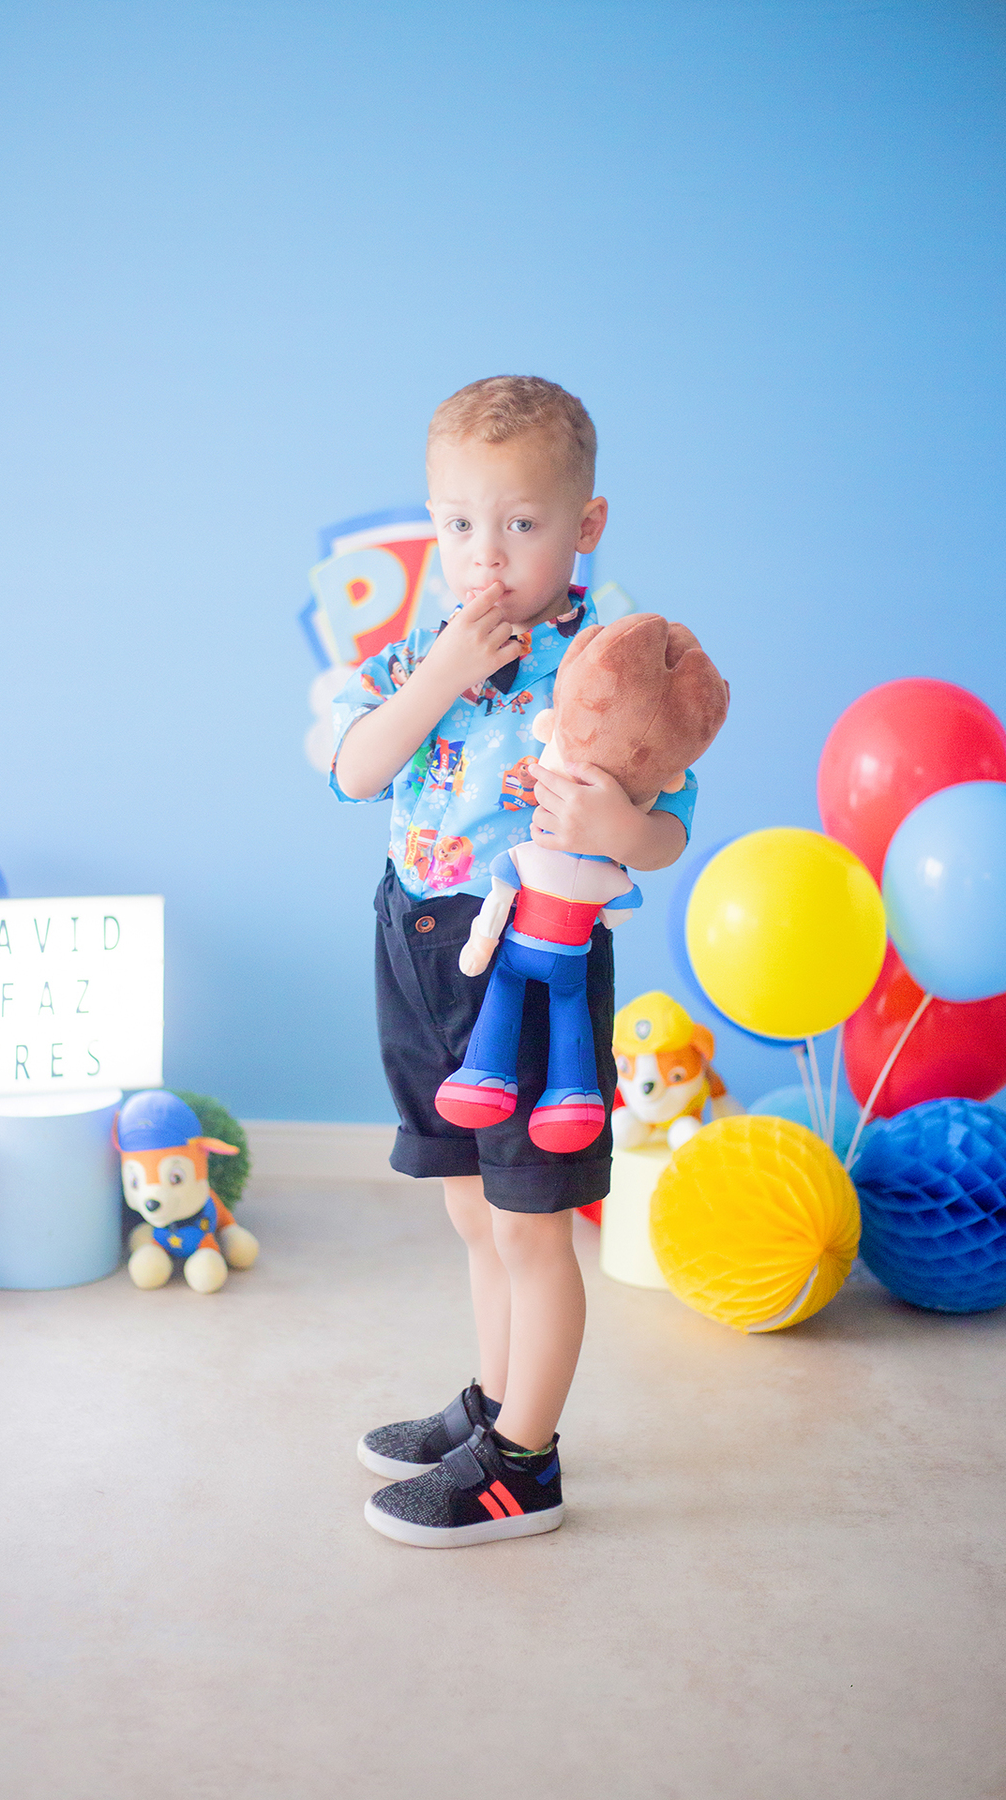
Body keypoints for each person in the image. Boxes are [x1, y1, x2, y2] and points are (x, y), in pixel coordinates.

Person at [331, 375, 705, 1547]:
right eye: (458, 524)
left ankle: (523, 1464)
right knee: (472, 1209)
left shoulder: (608, 665)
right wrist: (440, 674)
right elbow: (355, 770)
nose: (485, 554)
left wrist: (617, 826)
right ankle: (495, 1406)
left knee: (533, 1220)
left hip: (531, 964)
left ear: (585, 526)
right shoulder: (421, 651)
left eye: (522, 523)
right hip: (418, 943)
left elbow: (670, 826)